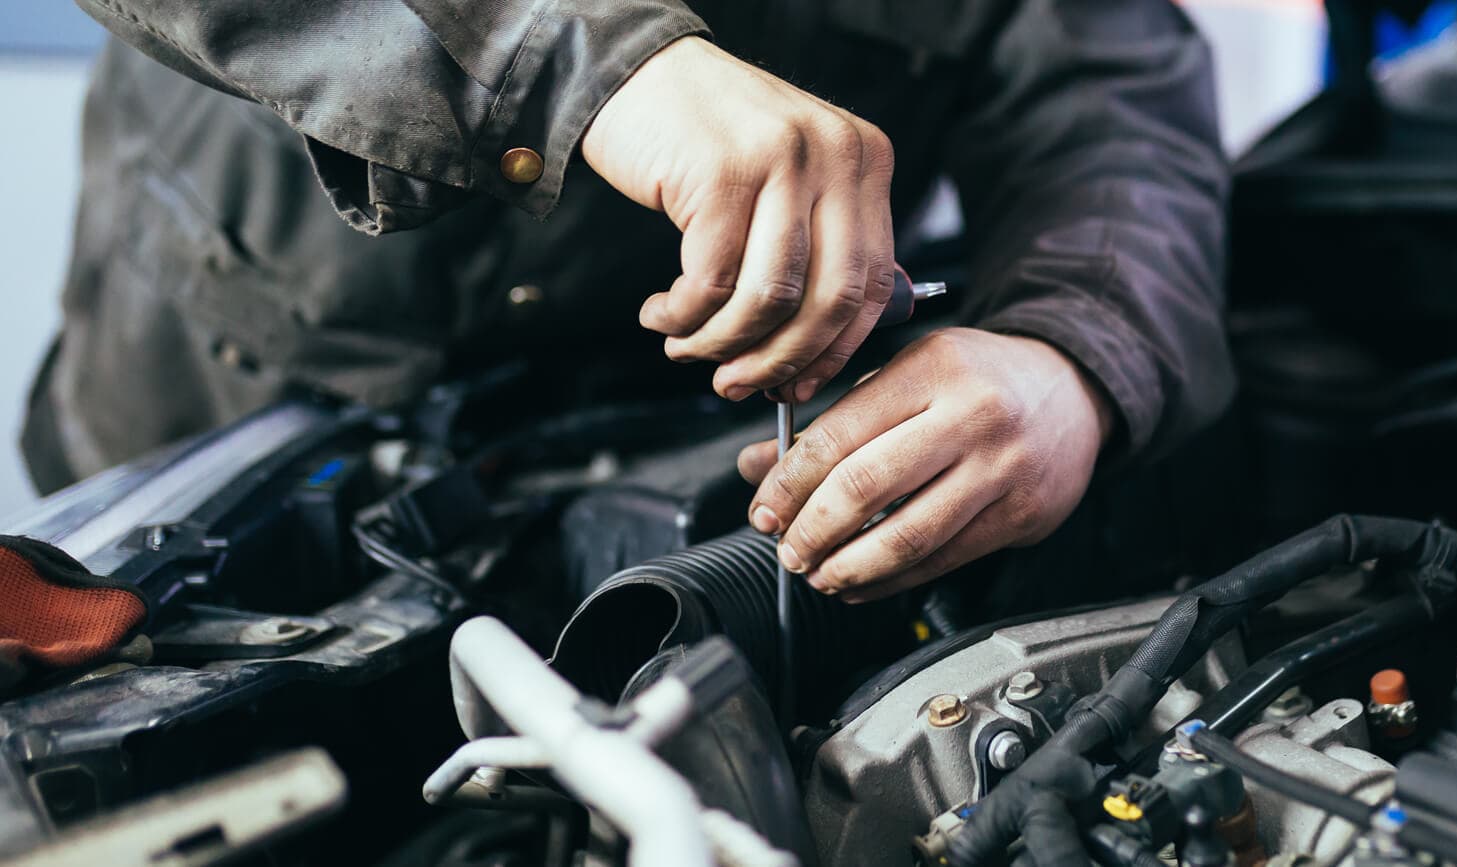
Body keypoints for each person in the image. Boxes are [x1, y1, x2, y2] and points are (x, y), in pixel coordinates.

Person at [25, 0, 1234, 604]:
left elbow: (1106, 88)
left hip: (649, 458)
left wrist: (1075, 348)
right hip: (212, 425)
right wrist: (570, 57)